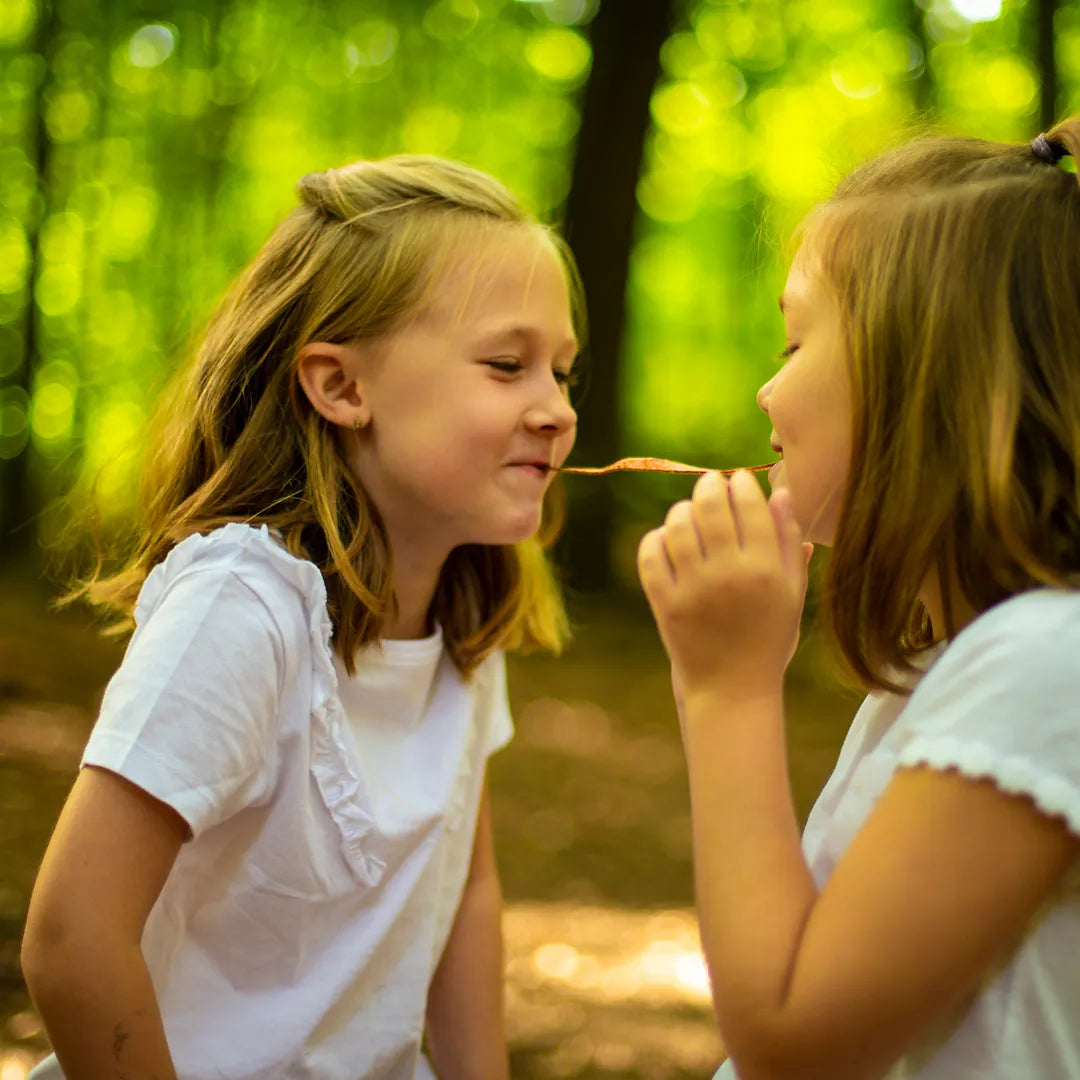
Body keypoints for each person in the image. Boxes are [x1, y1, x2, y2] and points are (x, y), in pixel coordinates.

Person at [21, 155, 581, 1080]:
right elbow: (74, 936)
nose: (556, 411)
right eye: (506, 365)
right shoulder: (241, 608)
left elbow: (465, 894)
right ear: (341, 387)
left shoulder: (462, 625)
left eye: (562, 373)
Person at [638, 119, 1080, 1079]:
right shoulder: (947, 665)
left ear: (923, 374)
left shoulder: (1049, 660)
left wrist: (729, 691)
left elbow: (794, 1040)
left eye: (795, 342)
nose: (765, 391)